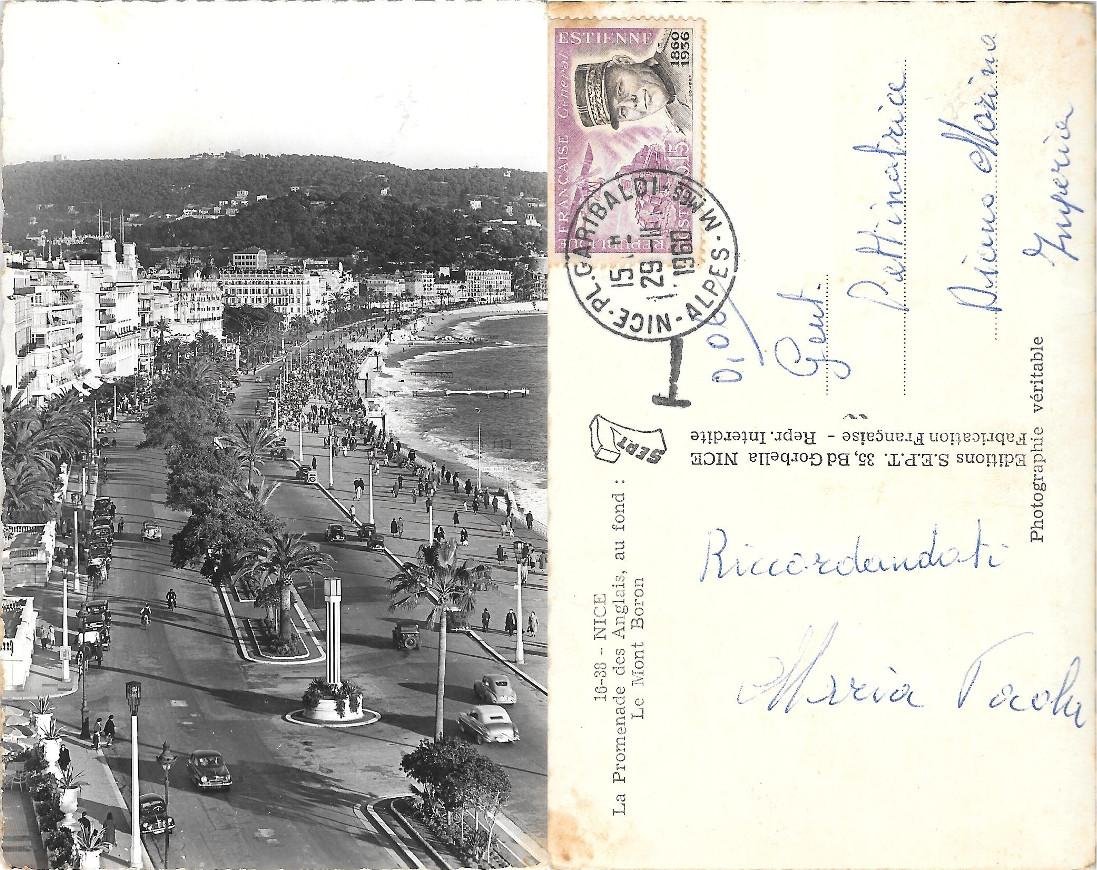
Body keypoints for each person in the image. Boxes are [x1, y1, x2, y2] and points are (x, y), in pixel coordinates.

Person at [572, 30, 693, 135]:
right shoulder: (683, 123)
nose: (631, 103)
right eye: (622, 112)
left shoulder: (682, 39)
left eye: (620, 89)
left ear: (623, 61)